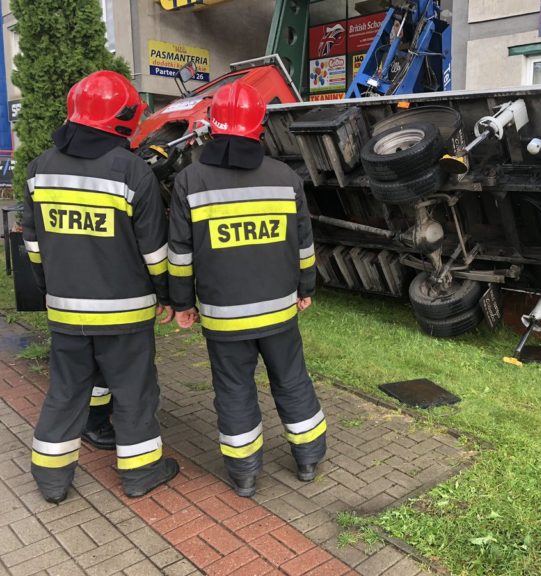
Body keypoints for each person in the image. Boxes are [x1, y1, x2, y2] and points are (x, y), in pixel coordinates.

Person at [22, 70, 178, 503]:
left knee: (66, 390)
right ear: (123, 119)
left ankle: (51, 479)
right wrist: (168, 295)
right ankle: (142, 472)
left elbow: (34, 247)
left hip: (65, 310)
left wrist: (51, 290)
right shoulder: (132, 172)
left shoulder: (38, 170)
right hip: (125, 314)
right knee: (134, 392)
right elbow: (155, 253)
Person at [168, 81, 325, 498]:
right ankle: (308, 459)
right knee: (292, 380)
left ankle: (245, 475)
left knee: (233, 390)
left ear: (211, 126)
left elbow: (180, 253)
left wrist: (182, 303)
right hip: (279, 312)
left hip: (223, 317)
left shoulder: (190, 180)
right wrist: (305, 287)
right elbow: (304, 245)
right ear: (259, 126)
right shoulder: (285, 177)